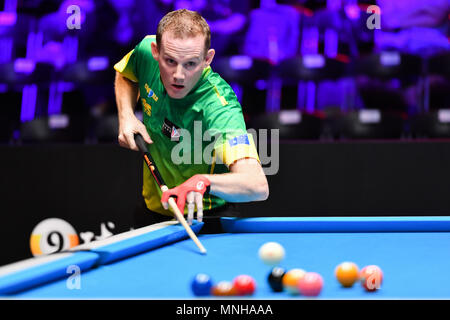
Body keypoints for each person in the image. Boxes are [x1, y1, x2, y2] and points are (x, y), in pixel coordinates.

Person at [113, 9, 269, 230]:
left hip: (207, 216)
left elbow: (257, 185)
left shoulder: (219, 105)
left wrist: (204, 182)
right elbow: (126, 74)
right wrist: (126, 114)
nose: (178, 74)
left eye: (190, 64)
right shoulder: (146, 52)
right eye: (170, 61)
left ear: (207, 59)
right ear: (156, 51)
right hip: (153, 210)